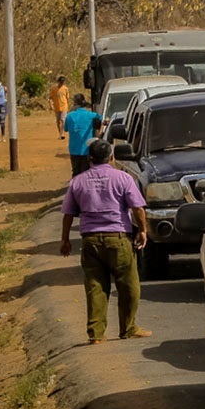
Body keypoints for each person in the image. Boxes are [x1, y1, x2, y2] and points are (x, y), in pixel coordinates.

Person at [60, 139, 151, 344]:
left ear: (89, 158)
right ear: (111, 157)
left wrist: (65, 240)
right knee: (129, 286)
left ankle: (96, 334)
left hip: (90, 240)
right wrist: (143, 231)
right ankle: (128, 327)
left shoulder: (78, 182)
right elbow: (137, 208)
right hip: (118, 238)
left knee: (95, 287)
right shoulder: (123, 178)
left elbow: (68, 214)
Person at [63, 94, 103, 176]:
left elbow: (66, 129)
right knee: (87, 172)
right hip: (87, 149)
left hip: (74, 149)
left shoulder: (69, 116)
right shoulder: (91, 115)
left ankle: (76, 187)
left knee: (75, 171)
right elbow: (103, 119)